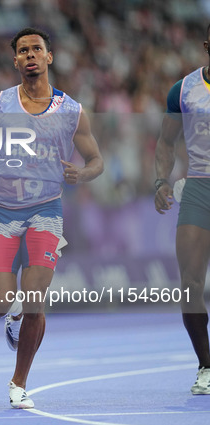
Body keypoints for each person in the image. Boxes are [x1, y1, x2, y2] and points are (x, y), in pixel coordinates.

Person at [0, 27, 103, 408]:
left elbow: (96, 160)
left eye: (36, 49)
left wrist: (83, 173)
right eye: (23, 50)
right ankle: (9, 316)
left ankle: (18, 382)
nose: (30, 55)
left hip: (46, 211)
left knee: (34, 299)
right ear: (15, 60)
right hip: (3, 212)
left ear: (49, 56)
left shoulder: (72, 110)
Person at [154, 24, 210, 396]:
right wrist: (161, 181)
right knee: (190, 283)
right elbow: (165, 141)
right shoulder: (184, 89)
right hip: (200, 186)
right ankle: (206, 366)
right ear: (208, 46)